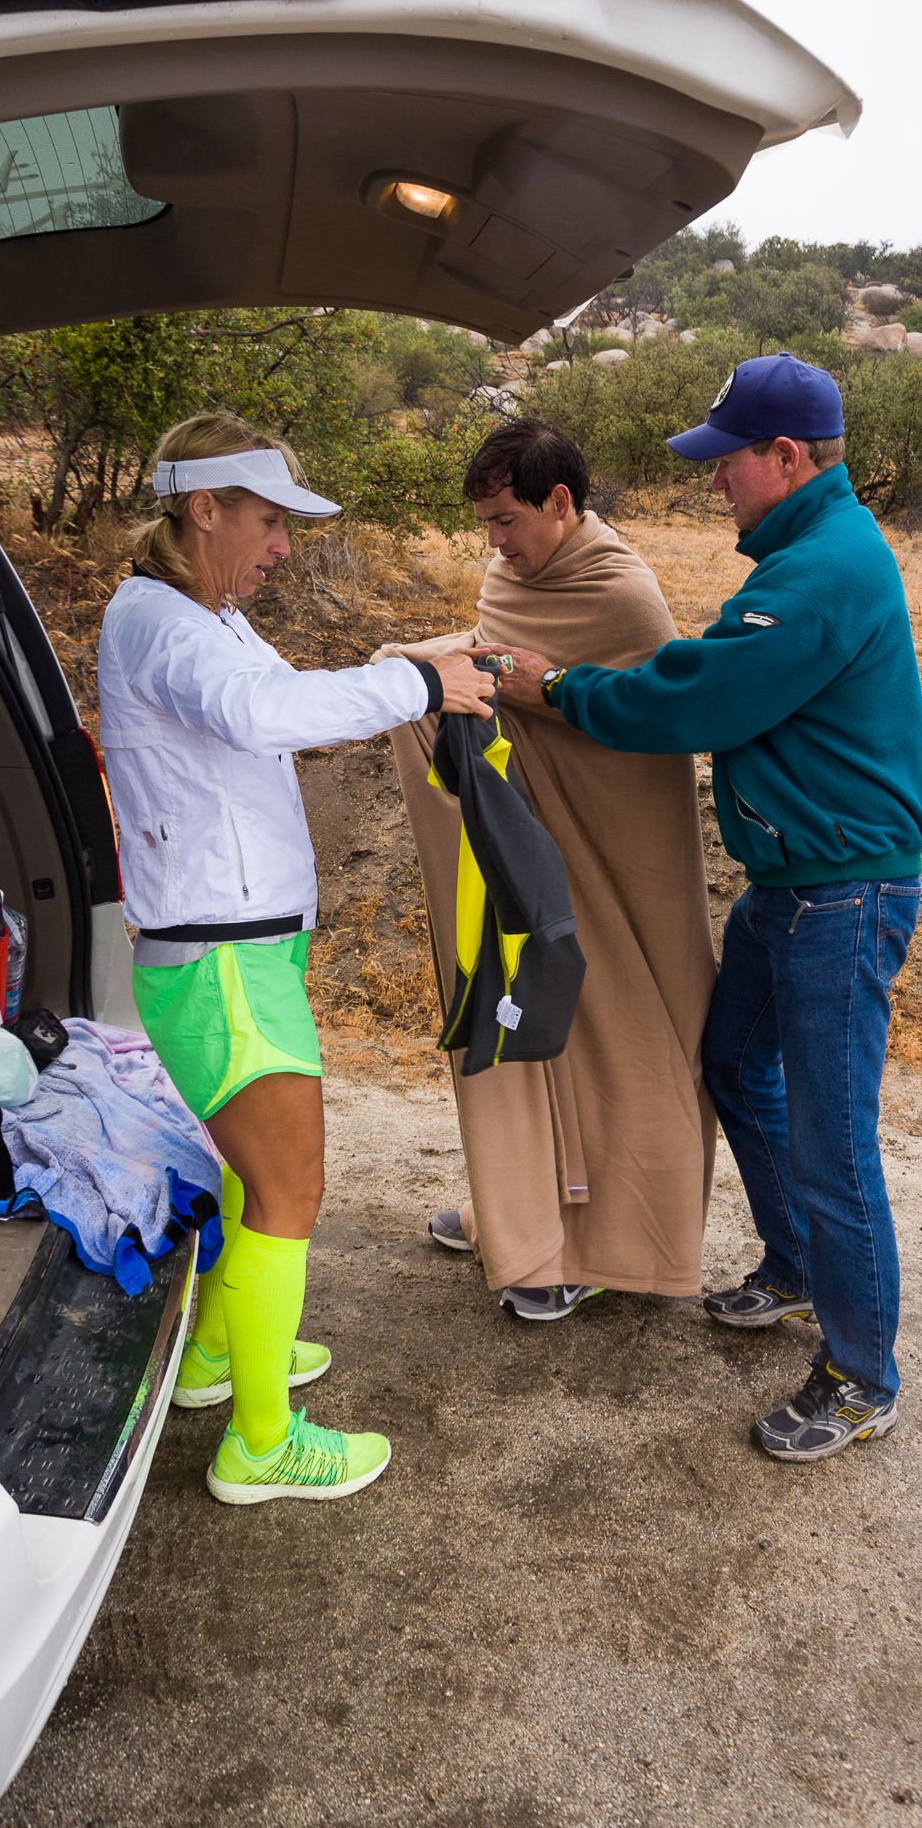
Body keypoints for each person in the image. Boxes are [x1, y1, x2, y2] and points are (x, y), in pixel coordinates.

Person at [482, 355, 922, 1459]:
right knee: (731, 1066)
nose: (711, 482)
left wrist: (561, 688)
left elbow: (697, 694)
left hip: (842, 896)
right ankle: (788, 1267)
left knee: (832, 1140)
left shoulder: (820, 570)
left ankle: (862, 1373)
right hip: (794, 888)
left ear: (785, 458)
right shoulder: (802, 551)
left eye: (725, 462)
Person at [97, 411, 495, 1504]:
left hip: (237, 952)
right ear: (202, 507)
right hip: (221, 960)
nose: (282, 547)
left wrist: (415, 658)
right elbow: (265, 712)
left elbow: (290, 693)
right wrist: (418, 688)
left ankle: (222, 1360)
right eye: (268, 522)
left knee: (250, 1175)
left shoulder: (203, 614)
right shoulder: (167, 626)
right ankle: (261, 1446)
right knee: (290, 1188)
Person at [372, 420, 717, 1321]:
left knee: (625, 1036)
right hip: (534, 843)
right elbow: (498, 674)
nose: (493, 541)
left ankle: (611, 1251)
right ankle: (523, 1221)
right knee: (521, 1022)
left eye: (505, 520)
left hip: (616, 858)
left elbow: (642, 728)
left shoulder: (624, 596)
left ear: (561, 503)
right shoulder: (510, 576)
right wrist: (411, 670)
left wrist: (530, 687)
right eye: (484, 523)